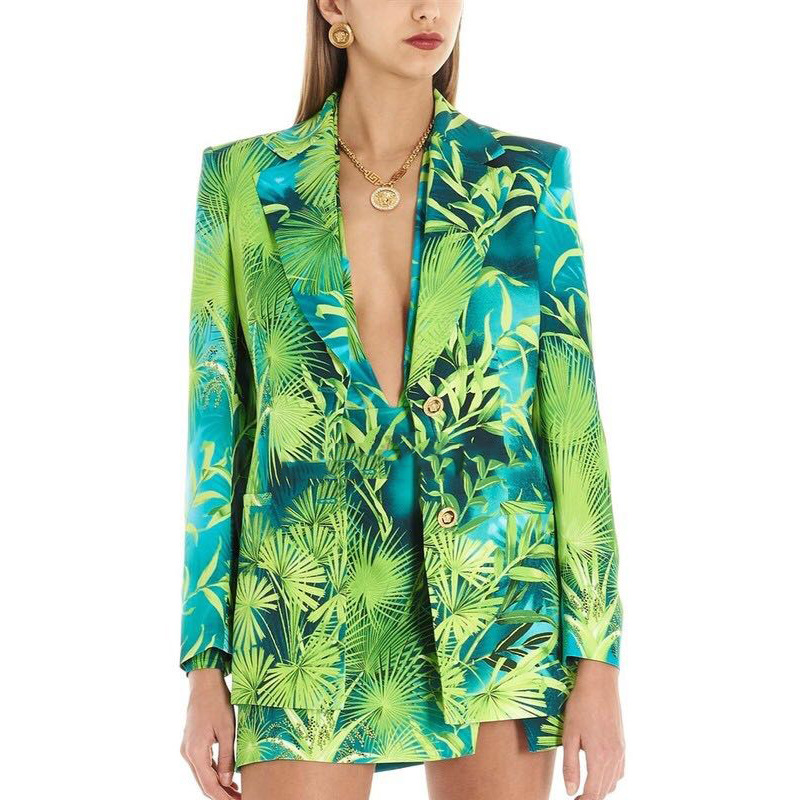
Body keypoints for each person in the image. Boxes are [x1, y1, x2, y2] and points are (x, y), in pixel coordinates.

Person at [178, 2, 625, 799]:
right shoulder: (243, 180)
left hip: (494, 598)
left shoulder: (523, 178)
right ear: (334, 6)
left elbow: (573, 429)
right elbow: (218, 428)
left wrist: (597, 661)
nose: (428, 9)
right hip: (302, 611)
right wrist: (204, 664)